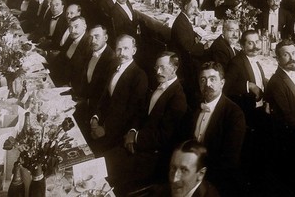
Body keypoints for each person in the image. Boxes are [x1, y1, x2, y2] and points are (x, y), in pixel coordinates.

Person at [108, 52, 188, 192]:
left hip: (154, 157)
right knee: (105, 160)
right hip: (138, 143)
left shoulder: (178, 99)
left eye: (162, 68)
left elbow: (164, 137)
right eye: (156, 67)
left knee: (111, 172)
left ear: (174, 69)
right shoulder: (158, 85)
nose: (158, 72)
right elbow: (141, 113)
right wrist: (133, 131)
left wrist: (136, 138)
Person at [265, 39, 295, 196]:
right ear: (278, 59)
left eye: (294, 53)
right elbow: (287, 118)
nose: (293, 58)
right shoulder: (276, 82)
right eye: (286, 55)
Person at [188, 62, 246, 196]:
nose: (207, 84)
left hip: (216, 181)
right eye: (203, 80)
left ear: (222, 83)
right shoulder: (194, 107)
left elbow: (229, 161)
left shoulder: (234, 114)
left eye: (213, 79)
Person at [90, 35, 148, 154]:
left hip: (119, 131)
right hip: (103, 122)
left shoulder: (139, 76)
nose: (122, 53)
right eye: (119, 49)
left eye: (126, 49)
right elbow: (104, 97)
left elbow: (132, 111)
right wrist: (95, 117)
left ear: (134, 51)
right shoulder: (113, 68)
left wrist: (105, 128)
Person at [172, 0, 210, 108]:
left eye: (196, 7)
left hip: (184, 55)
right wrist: (203, 46)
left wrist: (196, 38)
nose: (195, 10)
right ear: (185, 6)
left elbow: (190, 36)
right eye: (193, 7)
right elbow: (189, 48)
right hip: (184, 62)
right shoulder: (181, 23)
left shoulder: (184, 19)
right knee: (209, 58)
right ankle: (197, 98)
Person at [74, 25, 115, 129]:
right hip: (84, 102)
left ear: (105, 38)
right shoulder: (90, 51)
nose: (93, 40)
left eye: (97, 36)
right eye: (90, 37)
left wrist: (95, 116)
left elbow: (105, 95)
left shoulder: (111, 60)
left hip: (99, 113)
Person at [152, 140, 220, 197]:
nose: (175, 179)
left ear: (201, 174)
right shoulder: (160, 192)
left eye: (184, 170)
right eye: (173, 168)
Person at [50, 16, 90, 88]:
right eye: (70, 27)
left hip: (71, 85)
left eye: (76, 26)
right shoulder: (71, 37)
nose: (73, 30)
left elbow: (83, 73)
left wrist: (69, 85)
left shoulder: (89, 45)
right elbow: (61, 56)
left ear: (85, 26)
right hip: (60, 76)